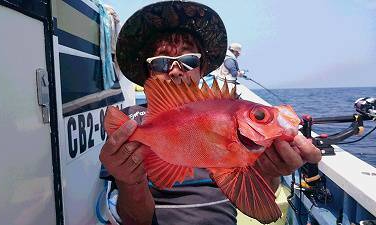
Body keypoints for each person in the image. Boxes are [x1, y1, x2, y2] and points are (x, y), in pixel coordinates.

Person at [99, 1, 322, 225]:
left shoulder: (236, 115)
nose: (175, 70)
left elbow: (258, 189)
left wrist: (271, 170)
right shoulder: (129, 124)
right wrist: (130, 182)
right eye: (162, 62)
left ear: (202, 68)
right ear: (148, 70)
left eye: (188, 60)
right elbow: (134, 220)